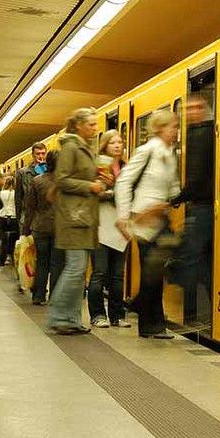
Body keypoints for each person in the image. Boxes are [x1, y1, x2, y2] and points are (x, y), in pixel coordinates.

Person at [117, 109, 180, 339]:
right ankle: (151, 322)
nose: (176, 131)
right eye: (173, 126)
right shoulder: (146, 151)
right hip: (144, 220)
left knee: (155, 270)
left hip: (160, 218)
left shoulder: (169, 154)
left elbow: (173, 187)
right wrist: (123, 215)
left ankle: (145, 313)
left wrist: (176, 196)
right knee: (152, 270)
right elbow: (124, 181)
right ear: (160, 128)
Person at [47, 108, 104, 335]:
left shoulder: (85, 148)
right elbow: (61, 180)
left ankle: (71, 319)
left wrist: (101, 184)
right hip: (73, 217)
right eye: (91, 124)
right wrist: (90, 186)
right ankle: (58, 316)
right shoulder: (71, 148)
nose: (95, 128)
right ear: (78, 125)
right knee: (75, 269)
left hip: (84, 216)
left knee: (79, 273)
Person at [167, 94, 214, 328]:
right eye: (189, 108)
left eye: (197, 107)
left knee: (191, 258)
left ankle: (194, 313)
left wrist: (177, 198)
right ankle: (202, 311)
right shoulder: (209, 132)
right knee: (201, 259)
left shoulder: (200, 135)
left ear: (206, 109)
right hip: (205, 205)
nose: (192, 112)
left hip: (202, 206)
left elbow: (196, 176)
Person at [89, 130, 130, 329]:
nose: (117, 145)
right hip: (101, 226)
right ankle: (97, 315)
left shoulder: (126, 168)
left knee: (118, 274)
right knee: (99, 272)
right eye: (112, 142)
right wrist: (114, 194)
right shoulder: (97, 167)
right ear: (105, 145)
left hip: (121, 227)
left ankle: (117, 315)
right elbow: (93, 194)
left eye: (119, 142)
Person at [23, 149, 63, 306]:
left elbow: (30, 207)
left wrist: (25, 230)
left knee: (41, 262)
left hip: (40, 227)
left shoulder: (37, 180)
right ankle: (55, 297)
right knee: (57, 264)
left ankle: (38, 296)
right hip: (59, 227)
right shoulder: (64, 182)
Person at [15, 143, 47, 233]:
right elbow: (18, 197)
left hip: (44, 216)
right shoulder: (23, 173)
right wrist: (18, 217)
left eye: (43, 153)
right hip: (27, 216)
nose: (41, 156)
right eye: (38, 154)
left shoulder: (49, 172)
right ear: (33, 155)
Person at [0, 175, 18, 267]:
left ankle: (2, 259)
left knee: (3, 238)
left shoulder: (1, 193)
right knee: (13, 239)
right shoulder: (16, 193)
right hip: (13, 216)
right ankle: (12, 258)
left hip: (2, 215)